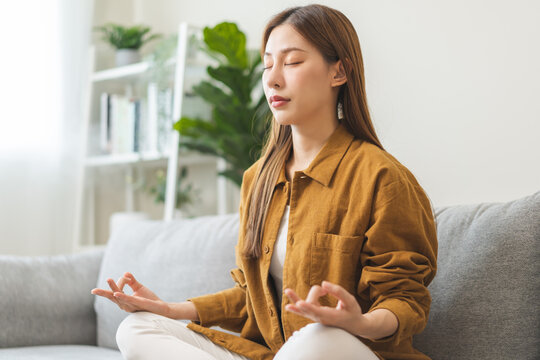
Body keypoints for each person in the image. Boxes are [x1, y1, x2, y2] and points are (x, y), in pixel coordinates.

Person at [91, 4, 438, 360]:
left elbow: (405, 299)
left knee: (316, 338)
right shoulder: (258, 179)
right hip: (276, 353)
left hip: (348, 349)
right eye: (268, 64)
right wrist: (171, 309)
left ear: (340, 72)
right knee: (137, 328)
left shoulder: (383, 177)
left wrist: (357, 322)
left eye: (291, 62)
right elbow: (252, 297)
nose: (272, 79)